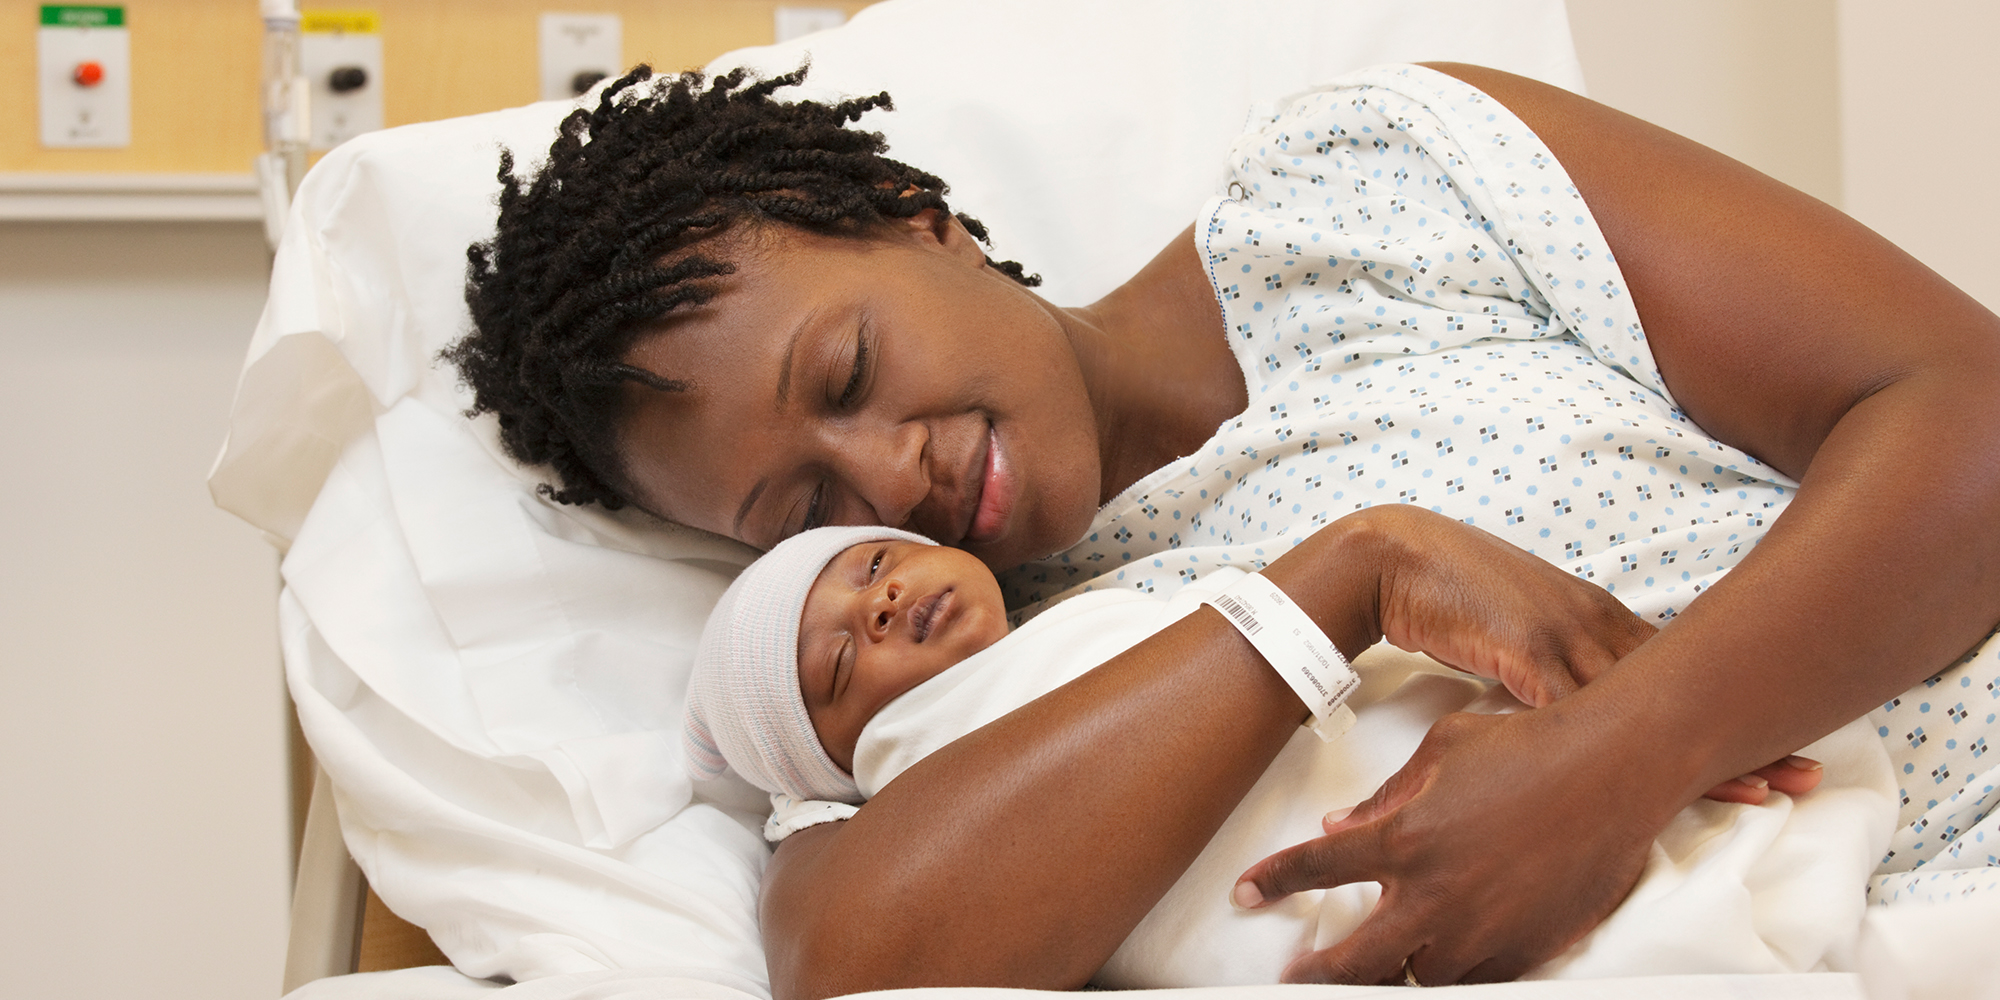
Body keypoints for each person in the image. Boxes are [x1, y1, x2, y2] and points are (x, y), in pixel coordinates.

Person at [444, 59, 2000, 996]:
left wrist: (1615, 763)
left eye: (849, 373)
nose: (888, 479)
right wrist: (1348, 574)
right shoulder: (984, 679)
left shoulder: (1370, 186)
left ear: (923, 219)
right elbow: (856, 967)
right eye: (805, 507)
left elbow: (1967, 408)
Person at [679, 524, 1890, 988]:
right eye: (837, 664)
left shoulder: (1115, 607)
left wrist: (1623, 743)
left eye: (872, 565)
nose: (882, 604)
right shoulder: (907, 782)